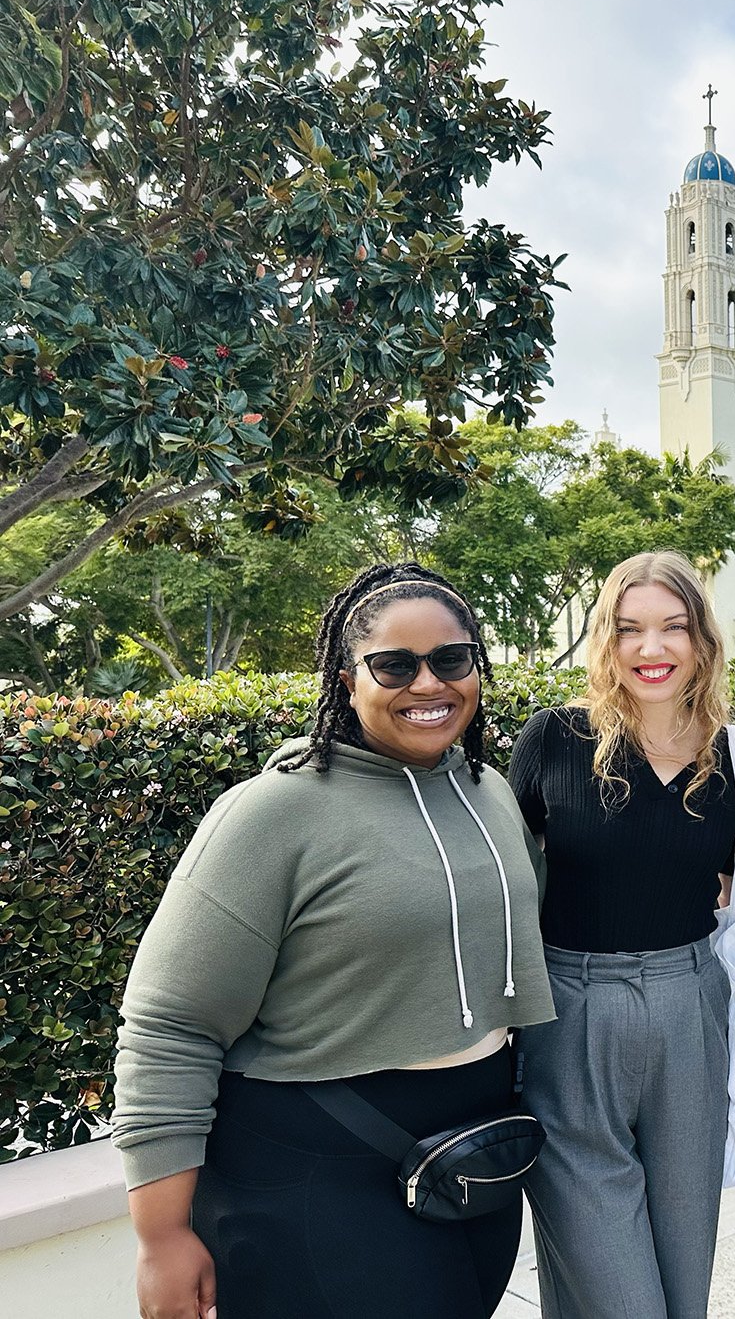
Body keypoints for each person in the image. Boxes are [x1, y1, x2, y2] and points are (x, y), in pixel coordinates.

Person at [114, 563, 556, 1319]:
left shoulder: (488, 793)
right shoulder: (273, 814)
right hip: (314, 1170)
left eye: (452, 660)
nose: (428, 684)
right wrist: (162, 1238)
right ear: (347, 679)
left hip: (471, 1156)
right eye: (394, 665)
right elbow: (170, 1025)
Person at [507, 550, 735, 1319]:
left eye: (672, 628)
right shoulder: (553, 740)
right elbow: (500, 885)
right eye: (630, 630)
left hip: (692, 1008)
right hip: (569, 1013)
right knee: (613, 1293)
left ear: (701, 641)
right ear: (606, 640)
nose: (651, 650)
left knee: (684, 1288)